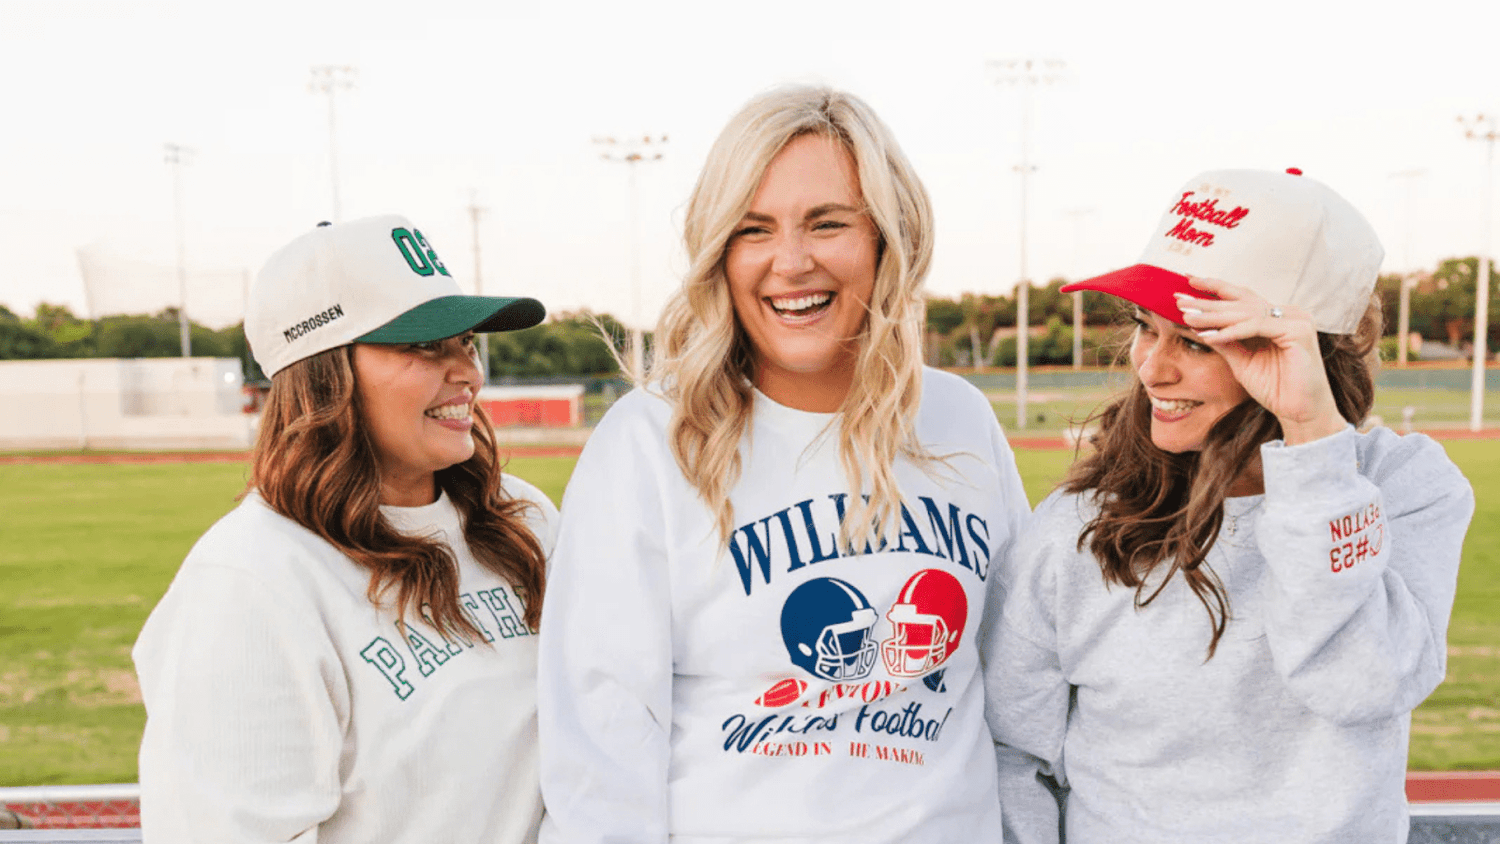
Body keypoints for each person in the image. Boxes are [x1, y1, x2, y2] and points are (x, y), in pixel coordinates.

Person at [536, 85, 1031, 842]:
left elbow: (1017, 693)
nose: (790, 262)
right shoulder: (650, 442)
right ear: (719, 252)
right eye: (753, 229)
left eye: (827, 223)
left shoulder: (959, 419)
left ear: (885, 239)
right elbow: (600, 748)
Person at [987, 168, 1475, 843]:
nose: (1152, 367)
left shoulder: (1406, 488)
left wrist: (1310, 439)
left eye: (1194, 340)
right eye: (1145, 328)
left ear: (1306, 350)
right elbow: (1015, 758)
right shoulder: (1077, 528)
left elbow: (1362, 684)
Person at [133, 215, 558, 843]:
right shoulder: (250, 580)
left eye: (464, 341)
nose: (466, 371)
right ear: (322, 375)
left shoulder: (523, 517)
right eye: (422, 345)